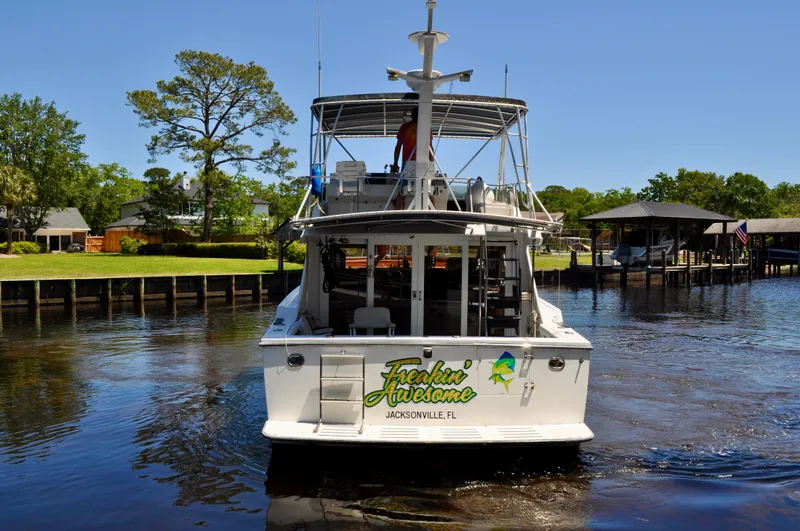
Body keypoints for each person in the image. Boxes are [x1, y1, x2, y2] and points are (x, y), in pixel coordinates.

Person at [391, 107, 433, 209]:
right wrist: (432, 164)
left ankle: (397, 214)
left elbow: (398, 147)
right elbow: (430, 147)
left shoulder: (404, 127)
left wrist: (395, 163)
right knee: (429, 191)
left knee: (402, 191)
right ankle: (433, 214)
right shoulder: (427, 128)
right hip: (424, 163)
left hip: (407, 164)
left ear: (412, 116)